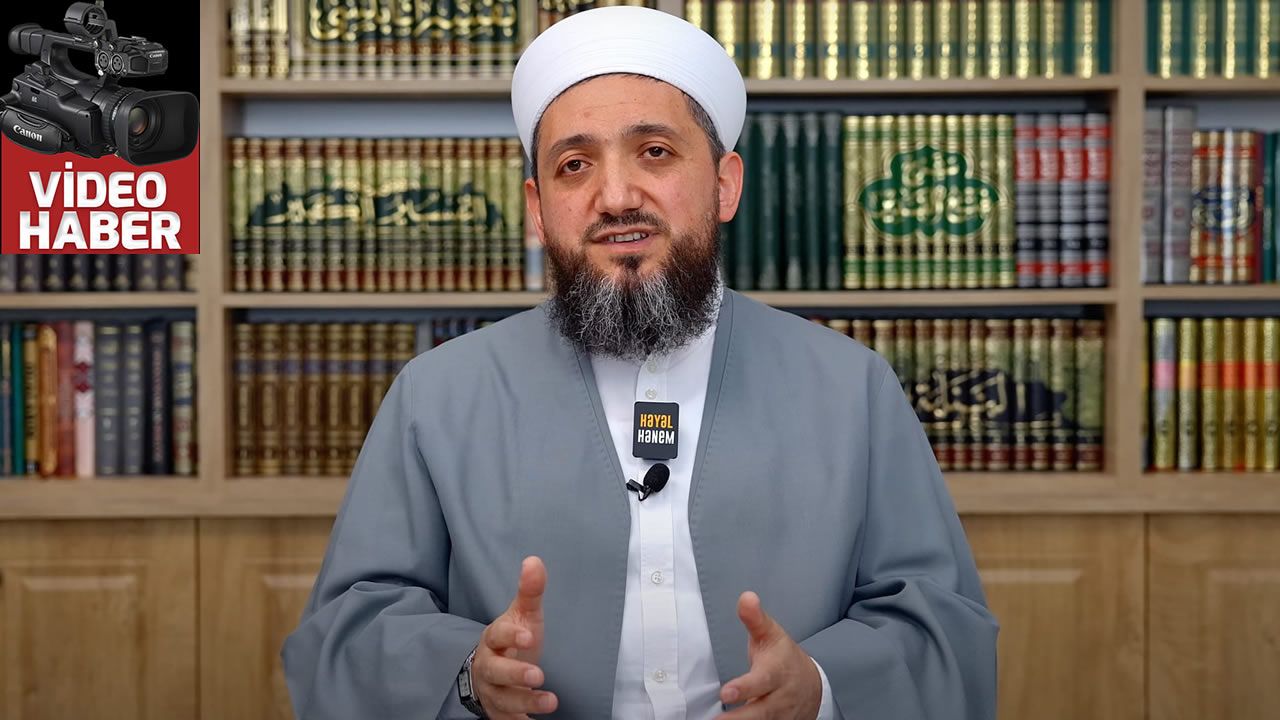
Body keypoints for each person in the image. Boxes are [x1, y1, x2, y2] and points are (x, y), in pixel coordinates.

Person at [281, 6, 998, 719]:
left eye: (654, 152)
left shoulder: (850, 387)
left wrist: (820, 686)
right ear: (538, 208)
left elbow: (941, 623)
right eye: (574, 166)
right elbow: (347, 632)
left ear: (725, 184)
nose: (617, 197)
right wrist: (468, 678)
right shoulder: (438, 394)